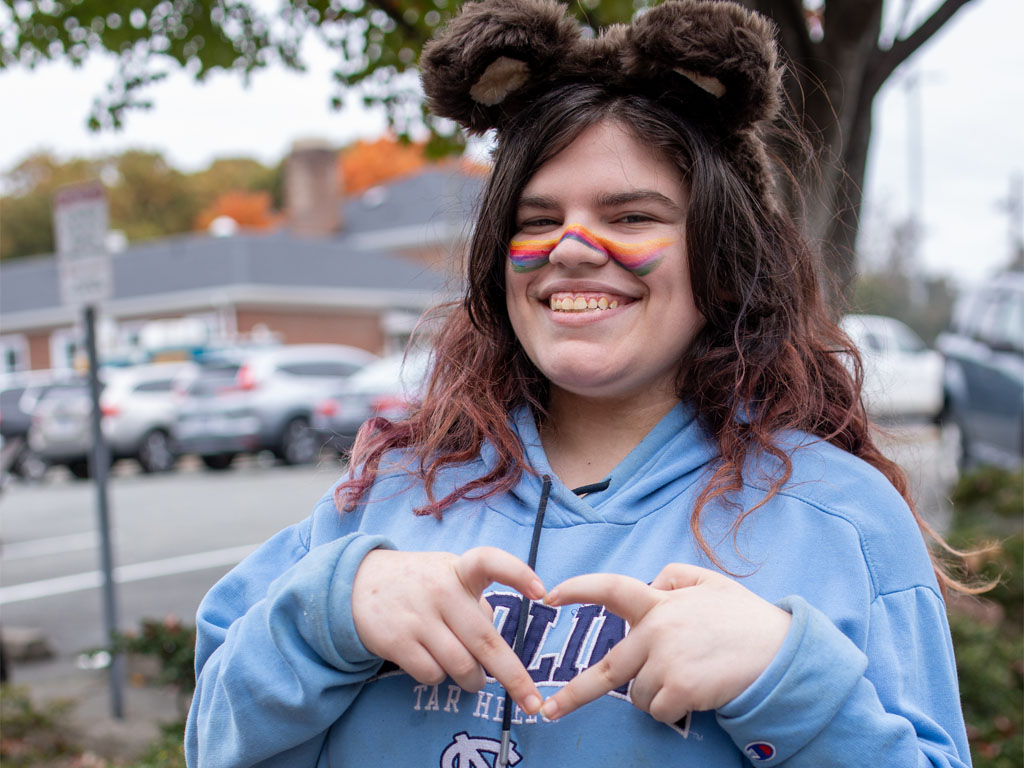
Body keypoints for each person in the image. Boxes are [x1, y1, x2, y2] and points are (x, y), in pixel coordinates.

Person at [186, 1, 973, 765]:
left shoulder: (841, 525)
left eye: (630, 217)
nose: (571, 247)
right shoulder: (391, 497)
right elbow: (214, 743)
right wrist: (327, 615)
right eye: (536, 219)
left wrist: (788, 678)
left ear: (721, 255)